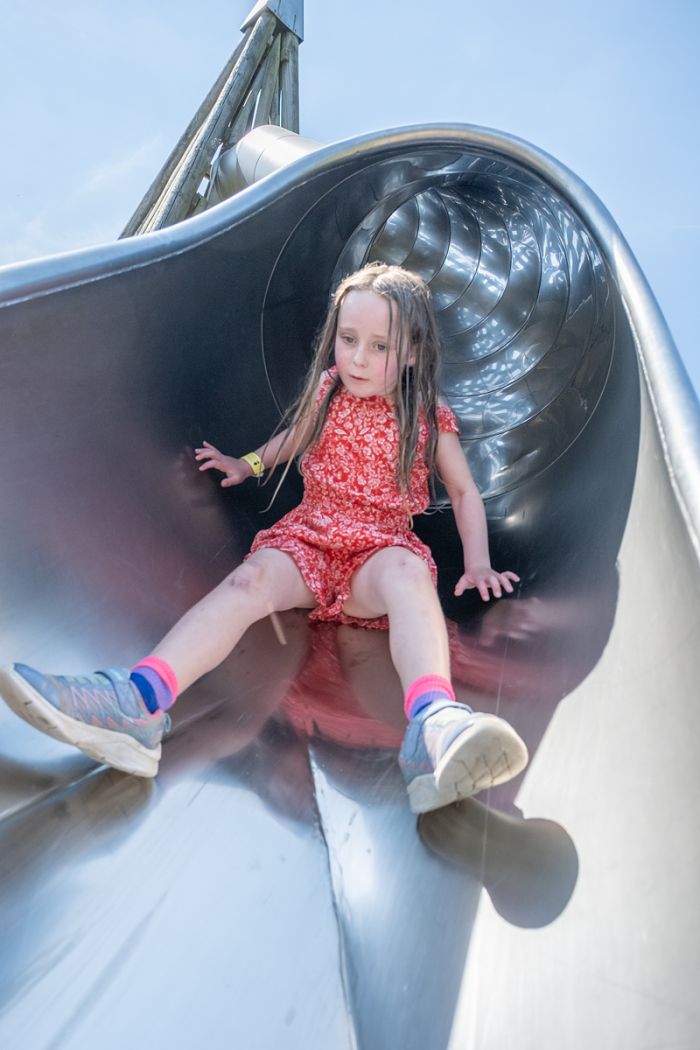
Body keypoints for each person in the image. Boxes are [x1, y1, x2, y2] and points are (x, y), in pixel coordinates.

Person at [0, 263, 528, 814]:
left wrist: (478, 563)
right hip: (310, 537)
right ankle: (139, 702)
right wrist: (247, 464)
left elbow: (463, 492)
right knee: (248, 581)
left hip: (374, 555)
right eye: (348, 339)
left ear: (414, 353)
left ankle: (434, 723)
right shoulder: (329, 389)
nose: (357, 359)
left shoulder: (428, 418)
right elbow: (296, 437)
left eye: (379, 347)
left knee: (407, 571)